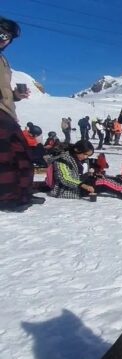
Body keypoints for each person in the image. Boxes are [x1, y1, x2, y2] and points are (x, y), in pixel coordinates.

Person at [0, 16, 44, 212]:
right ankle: (7, 198)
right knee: (5, 157)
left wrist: (15, 96)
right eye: (1, 33)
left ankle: (23, 192)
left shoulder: (2, 60)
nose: (4, 39)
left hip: (8, 113)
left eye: (8, 36)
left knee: (23, 154)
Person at [49, 140, 122, 201]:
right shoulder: (62, 160)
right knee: (104, 183)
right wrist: (83, 185)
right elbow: (65, 178)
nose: (86, 157)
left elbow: (80, 173)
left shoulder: (78, 158)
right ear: (77, 150)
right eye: (85, 154)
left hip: (81, 182)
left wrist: (92, 174)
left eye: (88, 155)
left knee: (105, 178)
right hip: (67, 189)